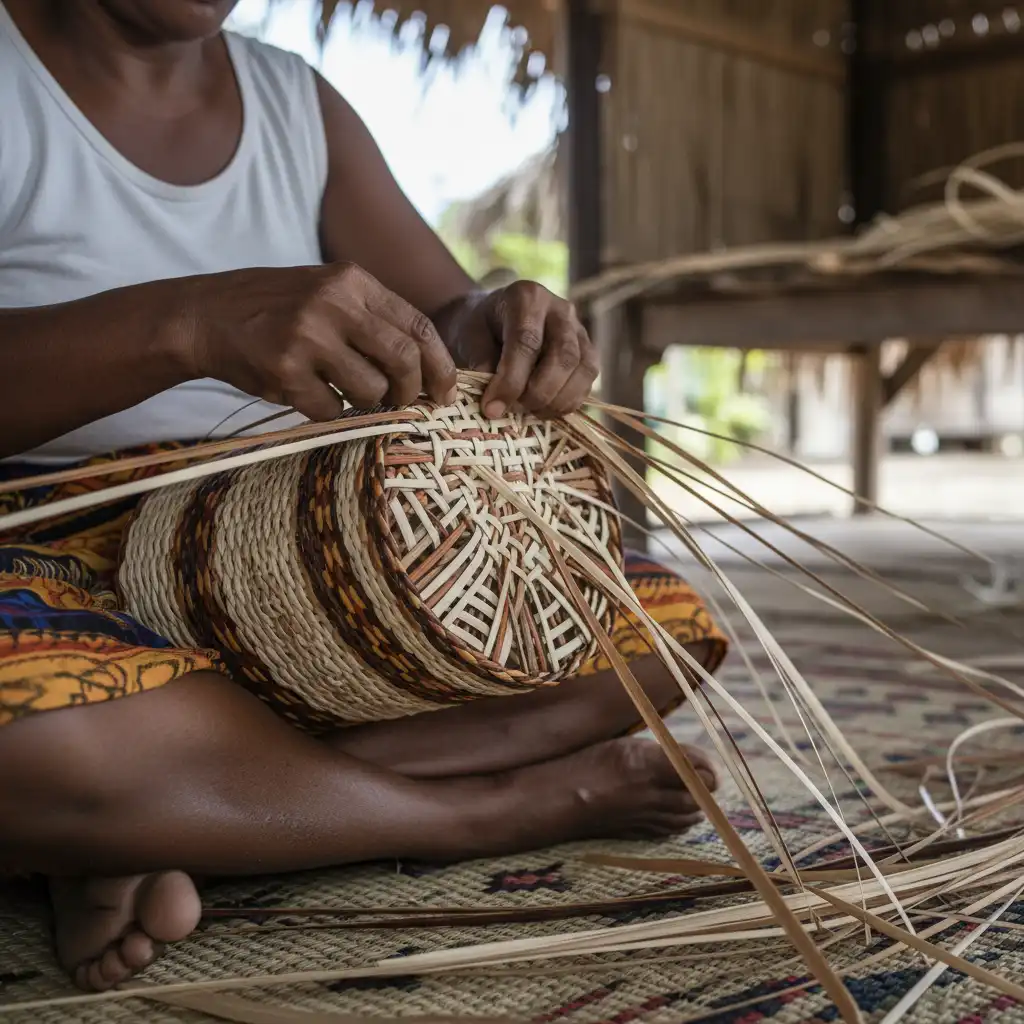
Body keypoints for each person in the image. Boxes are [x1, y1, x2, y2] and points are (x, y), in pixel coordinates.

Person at [0, 0, 728, 995]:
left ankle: (172, 812)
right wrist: (189, 321)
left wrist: (494, 327)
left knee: (651, 626)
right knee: (39, 728)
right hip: (40, 544)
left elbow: (444, 309)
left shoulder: (296, 104)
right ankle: (478, 811)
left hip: (281, 557)